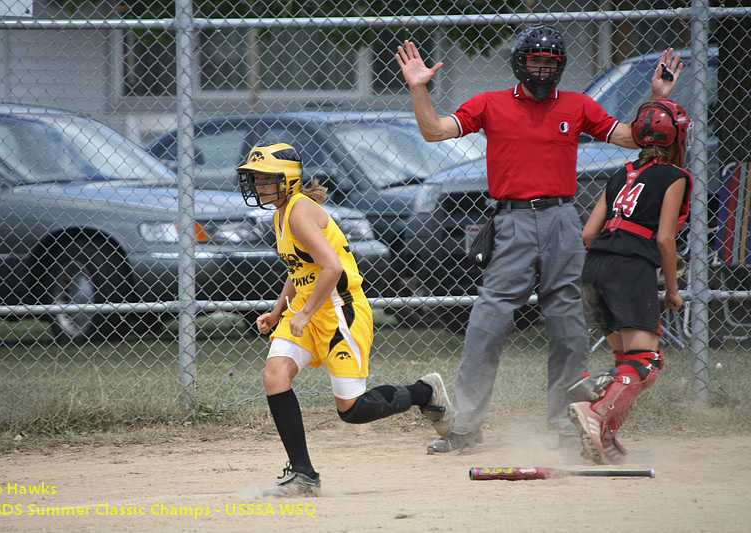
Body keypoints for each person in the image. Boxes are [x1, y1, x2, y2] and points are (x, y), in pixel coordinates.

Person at [395, 24, 682, 453]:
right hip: (511, 222)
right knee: (487, 323)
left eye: (551, 63)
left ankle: (568, 427)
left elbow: (632, 137)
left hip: (562, 219)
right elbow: (434, 131)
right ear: (519, 63)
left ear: (561, 67)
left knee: (568, 325)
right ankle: (467, 428)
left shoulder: (578, 105)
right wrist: (420, 89)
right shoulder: (489, 104)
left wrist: (656, 99)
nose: (543, 70)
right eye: (536, 61)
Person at [237, 142, 454, 497]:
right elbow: (300, 267)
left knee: (352, 410)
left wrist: (305, 313)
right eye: (255, 180)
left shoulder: (299, 212)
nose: (258, 187)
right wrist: (279, 311)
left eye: (265, 179)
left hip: (339, 310)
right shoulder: (281, 214)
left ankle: (424, 392)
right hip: (304, 312)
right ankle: (304, 475)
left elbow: (332, 267)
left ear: (288, 181)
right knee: (274, 375)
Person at [568, 98, 692, 464]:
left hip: (594, 268)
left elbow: (588, 233)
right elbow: (665, 239)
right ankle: (595, 410)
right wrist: (672, 290)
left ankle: (603, 432)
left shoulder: (620, 173)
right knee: (647, 361)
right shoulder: (675, 177)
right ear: (676, 139)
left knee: (627, 360)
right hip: (630, 268)